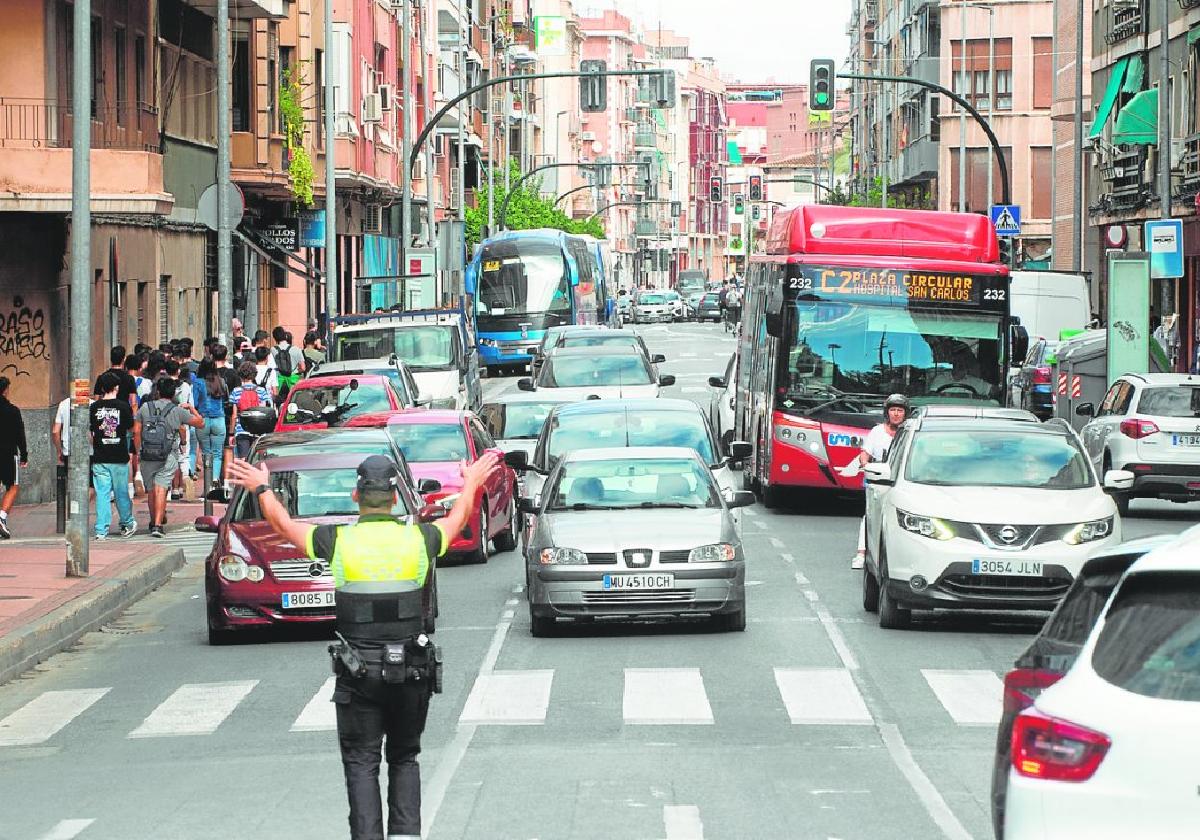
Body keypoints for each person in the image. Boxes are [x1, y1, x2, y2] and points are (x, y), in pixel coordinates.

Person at [226, 452, 501, 840]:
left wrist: (262, 487)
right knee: (405, 756)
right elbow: (457, 519)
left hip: (358, 674)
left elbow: (282, 523)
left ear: (356, 495)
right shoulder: (420, 538)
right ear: (395, 499)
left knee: (361, 762)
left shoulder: (336, 540)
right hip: (411, 670)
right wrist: (470, 482)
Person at [134, 377, 204, 538]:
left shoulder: (145, 408)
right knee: (162, 489)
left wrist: (139, 450)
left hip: (147, 455)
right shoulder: (177, 411)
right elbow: (200, 423)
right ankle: (158, 525)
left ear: (157, 391)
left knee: (151, 490)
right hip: (168, 455)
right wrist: (191, 408)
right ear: (173, 393)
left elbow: (137, 431)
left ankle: (153, 521)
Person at [850, 393, 910, 570]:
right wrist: (866, 466)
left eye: (900, 410)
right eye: (893, 410)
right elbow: (864, 454)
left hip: (900, 484)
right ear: (887, 412)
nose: (896, 414)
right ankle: (862, 553)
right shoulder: (877, 432)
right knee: (869, 516)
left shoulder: (908, 433)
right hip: (878, 482)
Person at [90, 371, 137, 540]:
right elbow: (130, 428)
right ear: (117, 387)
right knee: (121, 492)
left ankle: (101, 529)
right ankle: (126, 523)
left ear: (102, 388)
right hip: (119, 456)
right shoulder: (123, 406)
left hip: (100, 456)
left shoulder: (94, 407)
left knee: (102, 494)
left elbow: (91, 432)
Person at [192, 357, 229, 501]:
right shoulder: (220, 381)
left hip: (203, 420)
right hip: (219, 419)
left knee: (206, 453)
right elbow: (225, 400)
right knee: (218, 453)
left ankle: (207, 487)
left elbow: (194, 402)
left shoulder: (198, 383)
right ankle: (214, 480)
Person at [0, 377, 27, 539]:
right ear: (6, 390)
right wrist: (24, 455)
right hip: (8, 454)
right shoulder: (13, 411)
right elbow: (20, 435)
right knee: (13, 486)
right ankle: (1, 517)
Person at [230, 361, 273, 460]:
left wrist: (231, 433)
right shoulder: (261, 390)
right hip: (258, 430)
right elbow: (264, 412)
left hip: (241, 430)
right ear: (254, 375)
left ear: (240, 374)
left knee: (243, 459)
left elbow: (234, 415)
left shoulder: (236, 391)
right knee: (258, 459)